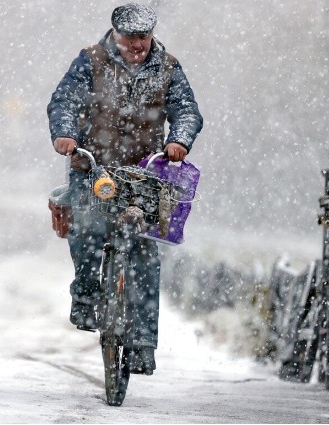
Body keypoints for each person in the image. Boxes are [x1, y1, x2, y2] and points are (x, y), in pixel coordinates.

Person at [47, 3, 203, 375]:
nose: (138, 46)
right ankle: (85, 294)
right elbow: (63, 101)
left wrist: (180, 139)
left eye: (144, 39)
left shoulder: (168, 68)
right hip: (94, 167)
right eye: (131, 39)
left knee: (146, 255)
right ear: (115, 35)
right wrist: (65, 135)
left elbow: (187, 110)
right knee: (84, 224)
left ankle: (143, 344)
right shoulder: (90, 61)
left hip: (143, 174)